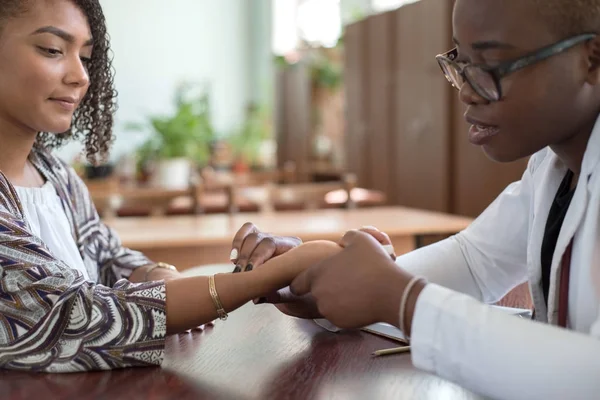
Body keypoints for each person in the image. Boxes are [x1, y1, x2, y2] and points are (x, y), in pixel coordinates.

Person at [232, 0, 600, 398]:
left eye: (492, 67)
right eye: (463, 63)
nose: (467, 93)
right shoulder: (552, 165)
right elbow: (475, 262)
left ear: (591, 60)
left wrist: (400, 300)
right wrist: (328, 286)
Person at [0, 0, 343, 373]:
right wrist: (267, 276)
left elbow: (106, 256)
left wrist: (160, 276)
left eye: (85, 56)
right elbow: (78, 314)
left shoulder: (55, 175)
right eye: (52, 50)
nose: (80, 76)